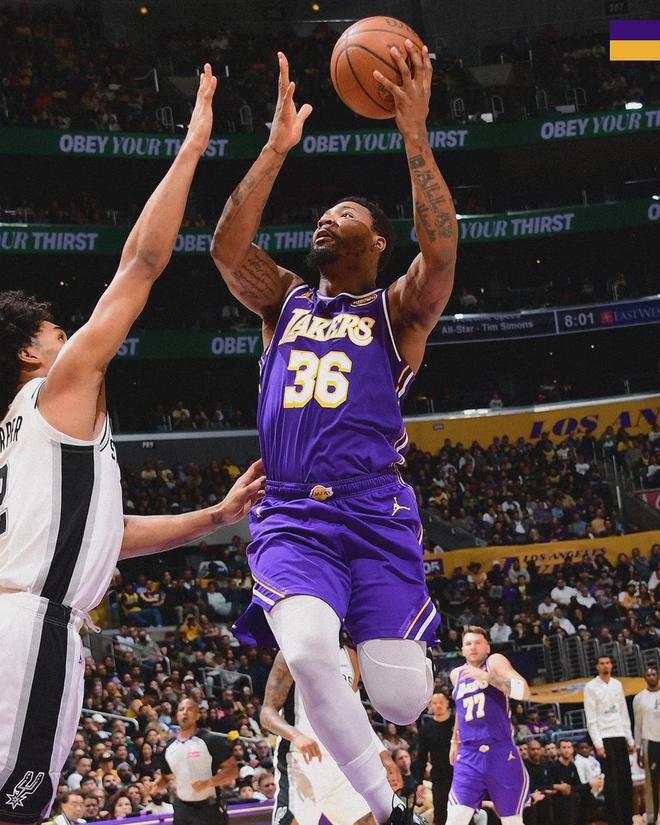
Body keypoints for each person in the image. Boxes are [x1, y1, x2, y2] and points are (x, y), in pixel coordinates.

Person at [0, 65, 265, 825]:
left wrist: (212, 517)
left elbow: (106, 535)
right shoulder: (57, 391)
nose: (73, 338)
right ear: (29, 353)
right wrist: (193, 146)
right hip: (30, 632)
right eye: (59, 332)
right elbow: (141, 265)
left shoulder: (19, 441)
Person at [211, 39, 455, 825]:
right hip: (291, 511)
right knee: (311, 651)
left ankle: (392, 649)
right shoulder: (282, 300)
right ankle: (389, 811)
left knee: (403, 698)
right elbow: (225, 248)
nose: (327, 218)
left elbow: (440, 253)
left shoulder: (395, 311)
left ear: (377, 242)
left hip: (375, 509)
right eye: (323, 214)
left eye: (345, 214)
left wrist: (413, 132)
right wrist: (276, 149)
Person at [259, 646, 401, 825]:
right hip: (301, 764)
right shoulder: (291, 650)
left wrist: (383, 754)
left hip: (341, 764)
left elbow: (355, 715)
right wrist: (295, 736)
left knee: (373, 821)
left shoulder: (350, 655)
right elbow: (267, 713)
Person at [447, 626, 531, 825]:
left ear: (487, 647)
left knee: (511, 821)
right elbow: (461, 711)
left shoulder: (494, 662)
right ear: (462, 650)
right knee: (455, 818)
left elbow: (524, 692)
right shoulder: (456, 674)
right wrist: (454, 740)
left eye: (478, 643)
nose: (473, 647)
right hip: (468, 754)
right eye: (468, 643)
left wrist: (486, 677)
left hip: (499, 752)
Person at [149, 698, 238, 825]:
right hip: (182, 810)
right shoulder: (169, 747)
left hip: (209, 809)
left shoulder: (210, 740)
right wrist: (156, 786)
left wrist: (209, 783)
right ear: (177, 715)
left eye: (189, 709)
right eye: (181, 709)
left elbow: (233, 770)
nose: (185, 712)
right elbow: (167, 777)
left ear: (197, 715)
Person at [583, 654, 635, 825]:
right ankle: (615, 820)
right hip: (604, 737)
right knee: (611, 783)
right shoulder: (591, 687)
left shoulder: (617, 685)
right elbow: (591, 719)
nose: (605, 666)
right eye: (602, 663)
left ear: (611, 665)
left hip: (619, 735)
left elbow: (623, 713)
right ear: (597, 667)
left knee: (625, 780)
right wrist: (598, 744)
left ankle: (627, 819)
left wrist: (630, 740)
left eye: (607, 663)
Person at [414, 692, 453, 825]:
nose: (438, 705)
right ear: (431, 706)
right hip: (438, 776)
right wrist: (419, 781)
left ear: (447, 703)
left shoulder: (456, 723)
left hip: (458, 773)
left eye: (441, 702)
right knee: (440, 813)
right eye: (434, 703)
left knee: (461, 810)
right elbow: (421, 757)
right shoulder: (426, 729)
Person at [633, 665, 660, 824]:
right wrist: (638, 749)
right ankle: (652, 817)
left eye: (654, 674)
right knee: (651, 783)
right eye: (648, 675)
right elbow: (638, 726)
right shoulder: (639, 698)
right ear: (644, 678)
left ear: (658, 676)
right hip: (650, 742)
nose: (651, 677)